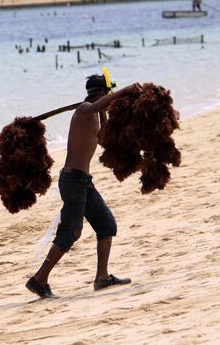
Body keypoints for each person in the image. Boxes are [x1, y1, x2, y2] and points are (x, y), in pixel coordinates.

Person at [25, 75, 142, 299]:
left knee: (107, 225)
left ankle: (102, 278)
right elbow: (96, 105)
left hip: (83, 181)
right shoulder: (84, 109)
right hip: (73, 180)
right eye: (107, 93)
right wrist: (124, 90)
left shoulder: (96, 114)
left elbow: (107, 135)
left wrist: (111, 104)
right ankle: (39, 280)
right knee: (71, 232)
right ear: (102, 92)